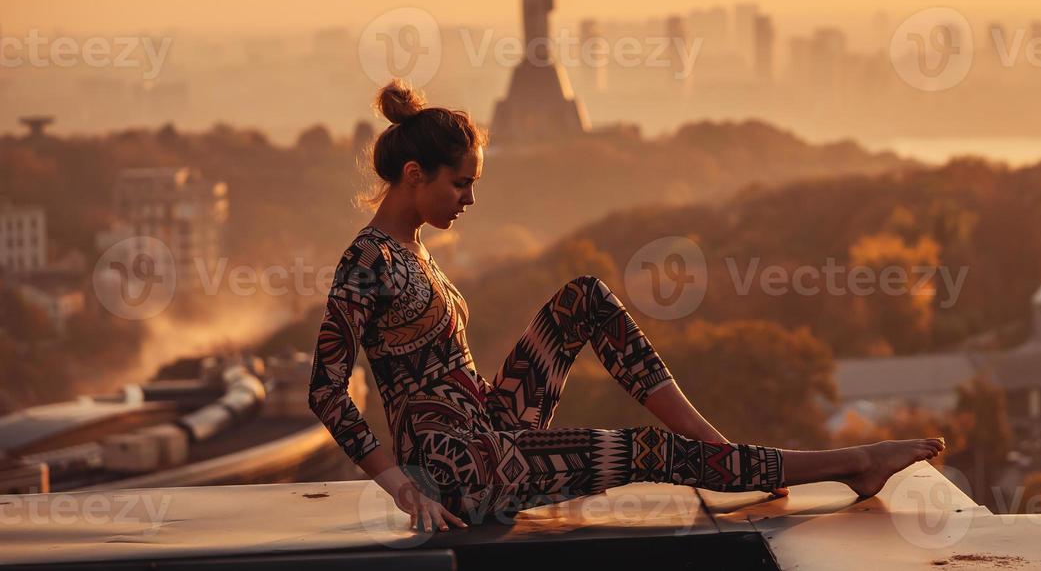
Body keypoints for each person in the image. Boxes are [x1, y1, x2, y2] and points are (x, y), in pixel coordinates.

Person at [308, 80, 945, 532]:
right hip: (460, 473)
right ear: (415, 175)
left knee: (584, 294)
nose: (469, 200)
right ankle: (855, 463)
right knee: (644, 450)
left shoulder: (415, 249)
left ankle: (710, 445)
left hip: (491, 429)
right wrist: (402, 486)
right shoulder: (368, 261)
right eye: (461, 184)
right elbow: (327, 391)